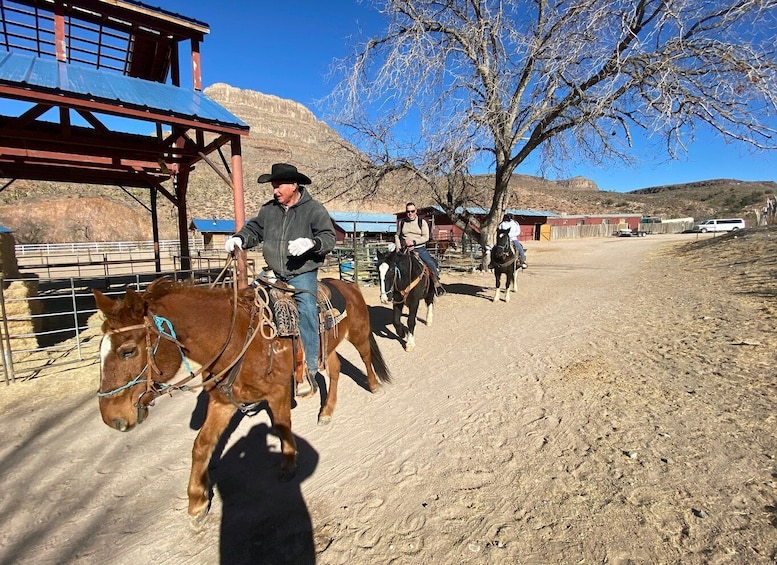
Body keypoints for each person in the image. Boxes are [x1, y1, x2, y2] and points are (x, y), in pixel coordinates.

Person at [224, 163, 335, 398]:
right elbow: (254, 229)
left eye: (278, 186)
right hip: (273, 272)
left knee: (305, 307)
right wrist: (240, 238)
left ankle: (310, 367)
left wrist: (312, 244)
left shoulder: (314, 209)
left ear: (294, 185)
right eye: (273, 186)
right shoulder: (269, 210)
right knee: (246, 303)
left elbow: (328, 236)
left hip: (302, 273)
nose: (274, 191)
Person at [396, 202, 444, 295]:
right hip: (405, 249)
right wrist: (398, 246)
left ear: (416, 211)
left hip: (419, 248)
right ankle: (394, 288)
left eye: (412, 211)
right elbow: (397, 235)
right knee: (392, 264)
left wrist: (414, 242)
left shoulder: (422, 222)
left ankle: (436, 284)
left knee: (430, 263)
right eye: (408, 211)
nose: (410, 213)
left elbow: (426, 237)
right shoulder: (402, 222)